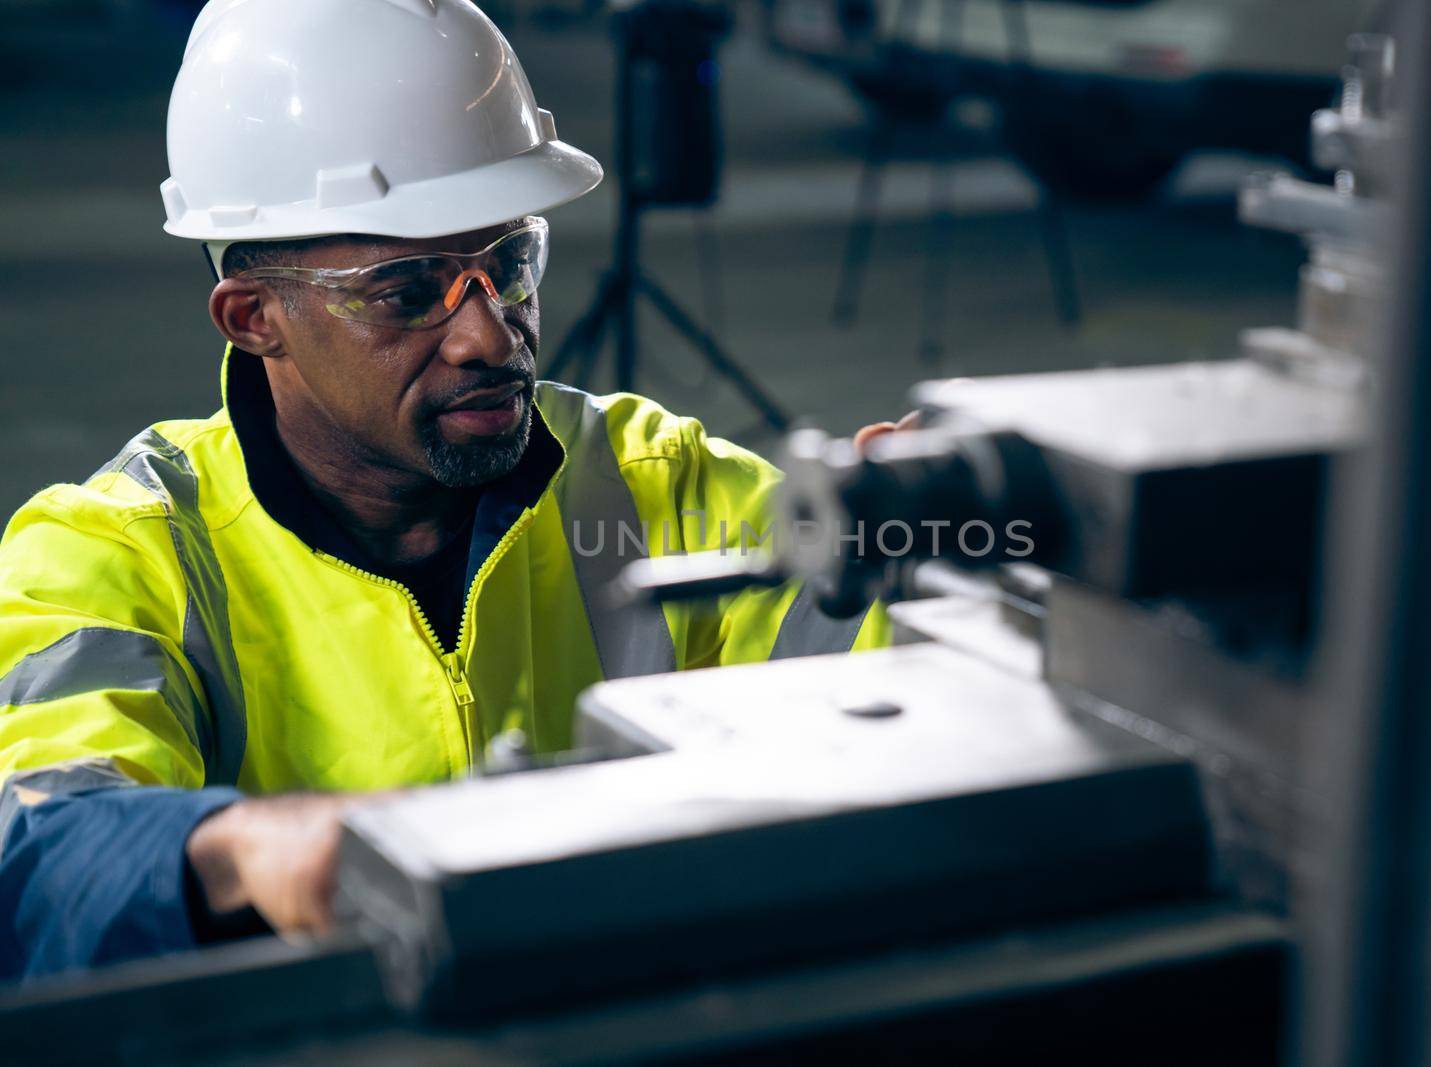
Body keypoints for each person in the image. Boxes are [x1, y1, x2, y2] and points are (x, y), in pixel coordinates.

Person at [0, 0, 900, 980]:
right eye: (408, 290)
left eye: (508, 265)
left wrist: (941, 561)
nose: (488, 334)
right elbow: (42, 848)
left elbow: (887, 657)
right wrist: (244, 847)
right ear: (254, 316)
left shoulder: (648, 482)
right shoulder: (114, 554)